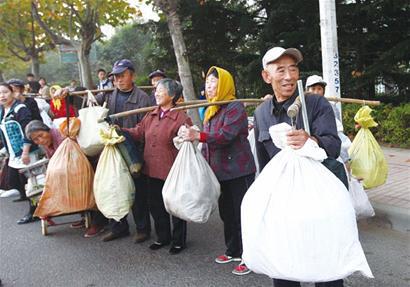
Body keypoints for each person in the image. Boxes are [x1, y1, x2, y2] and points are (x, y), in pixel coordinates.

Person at [253, 47, 342, 287]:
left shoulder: (315, 103)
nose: (289, 76)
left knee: (325, 268)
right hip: (282, 205)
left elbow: (333, 145)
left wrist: (310, 140)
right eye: (280, 70)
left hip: (318, 203)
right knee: (284, 267)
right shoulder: (261, 113)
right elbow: (264, 164)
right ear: (266, 76)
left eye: (293, 69)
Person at [55, 59, 153, 242]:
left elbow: (145, 128)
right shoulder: (108, 94)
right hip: (110, 150)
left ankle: (143, 229)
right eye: (116, 76)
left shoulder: (143, 98)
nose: (119, 80)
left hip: (132, 150)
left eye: (122, 75)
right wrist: (68, 94)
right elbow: (87, 104)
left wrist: (128, 136)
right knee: (112, 187)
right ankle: (118, 227)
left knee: (137, 192)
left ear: (132, 75)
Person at [181, 66, 256, 275]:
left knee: (243, 215)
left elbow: (225, 136)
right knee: (227, 214)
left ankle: (249, 257)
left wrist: (199, 136)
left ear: (224, 84)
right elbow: (207, 142)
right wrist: (203, 162)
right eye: (207, 84)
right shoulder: (211, 109)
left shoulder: (234, 107)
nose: (209, 87)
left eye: (213, 83)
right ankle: (233, 250)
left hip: (239, 171)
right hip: (219, 171)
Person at [123, 78, 192, 254]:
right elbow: (138, 132)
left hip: (172, 170)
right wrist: (120, 131)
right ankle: (163, 237)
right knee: (155, 204)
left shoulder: (181, 117)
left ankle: (178, 241)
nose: (157, 93)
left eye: (161, 90)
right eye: (156, 90)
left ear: (172, 95)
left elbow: (188, 143)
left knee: (175, 206)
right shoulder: (152, 114)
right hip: (151, 169)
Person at [0, 82, 40, 224]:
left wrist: (25, 152)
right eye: (0, 93)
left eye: (5, 92)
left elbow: (27, 131)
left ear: (12, 93)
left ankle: (34, 211)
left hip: (25, 152)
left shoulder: (20, 109)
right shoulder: (2, 111)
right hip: (13, 154)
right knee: (14, 181)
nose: (2, 96)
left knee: (29, 183)